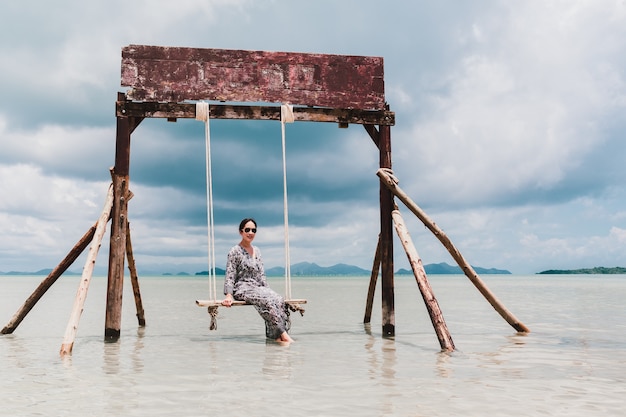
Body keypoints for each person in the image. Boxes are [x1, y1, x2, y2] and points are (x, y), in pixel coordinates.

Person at [222, 218, 295, 344]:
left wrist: (267, 290)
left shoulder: (257, 251)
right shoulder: (234, 251)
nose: (250, 233)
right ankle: (284, 335)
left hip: (258, 287)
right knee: (266, 301)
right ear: (241, 232)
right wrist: (229, 295)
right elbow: (230, 274)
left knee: (278, 299)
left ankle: (276, 338)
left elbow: (261, 275)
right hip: (242, 288)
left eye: (253, 230)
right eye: (247, 230)